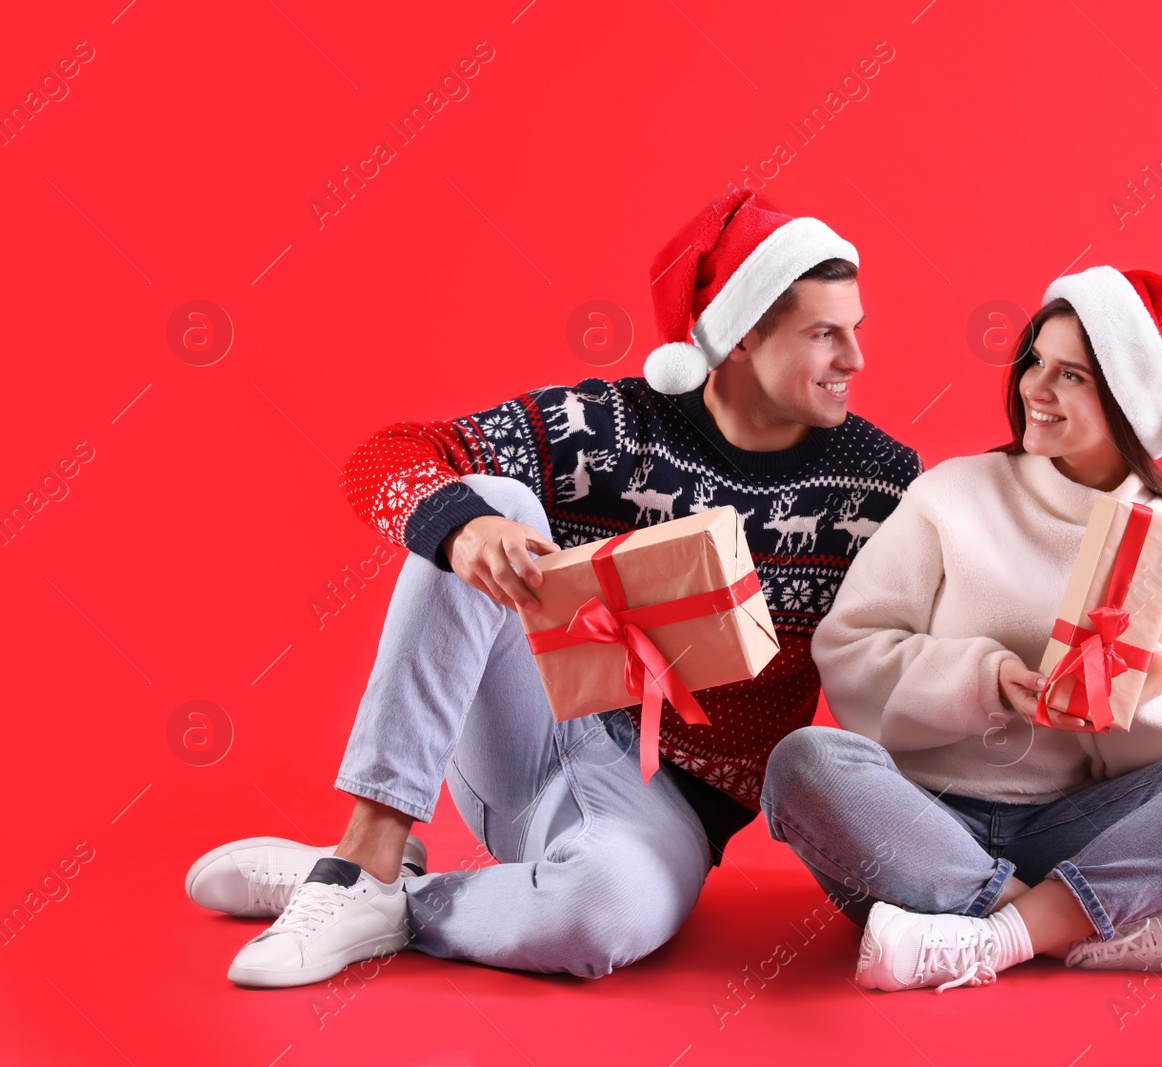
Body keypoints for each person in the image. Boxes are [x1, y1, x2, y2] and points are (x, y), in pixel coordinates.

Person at [183, 188, 922, 988]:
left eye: (856, 330)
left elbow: (909, 647)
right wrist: (468, 530)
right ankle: (365, 854)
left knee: (603, 911)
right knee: (490, 503)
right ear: (743, 338)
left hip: (668, 809)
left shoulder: (881, 483)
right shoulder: (606, 426)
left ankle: (389, 898)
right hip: (532, 725)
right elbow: (384, 458)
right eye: (825, 334)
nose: (855, 359)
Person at [760, 265, 1162, 993]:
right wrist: (984, 680)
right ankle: (1066, 930)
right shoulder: (951, 495)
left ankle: (980, 937)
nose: (1034, 389)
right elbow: (850, 652)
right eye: (1035, 362)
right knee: (806, 761)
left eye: (1072, 375)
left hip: (1071, 828)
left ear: (1129, 402)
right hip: (922, 824)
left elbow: (1156, 762)